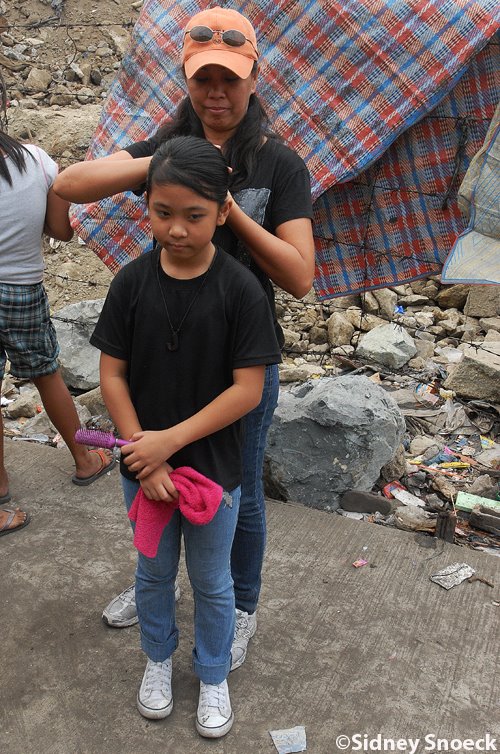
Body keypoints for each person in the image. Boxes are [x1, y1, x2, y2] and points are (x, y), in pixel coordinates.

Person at [54, 5, 315, 667]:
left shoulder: (279, 165)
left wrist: (223, 206)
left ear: (254, 78)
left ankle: (241, 606)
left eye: (230, 79)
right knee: (152, 467)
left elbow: (300, 277)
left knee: (238, 491)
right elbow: (69, 184)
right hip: (160, 353)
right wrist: (172, 168)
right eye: (204, 80)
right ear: (187, 80)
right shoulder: (163, 150)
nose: (216, 93)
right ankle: (156, 583)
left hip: (240, 359)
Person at [89, 135, 281, 737]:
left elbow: (247, 390)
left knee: (212, 581)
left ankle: (213, 672)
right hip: (142, 466)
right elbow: (112, 374)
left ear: (223, 211)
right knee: (152, 574)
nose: (176, 229)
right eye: (162, 212)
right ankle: (157, 660)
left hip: (214, 471)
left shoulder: (241, 290)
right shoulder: (131, 282)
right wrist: (142, 453)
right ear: (147, 206)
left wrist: (166, 444)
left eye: (194, 215)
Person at [0, 125, 114, 537]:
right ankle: (85, 460)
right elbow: (62, 230)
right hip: (22, 289)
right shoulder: (36, 161)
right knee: (47, 375)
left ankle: (0, 489)